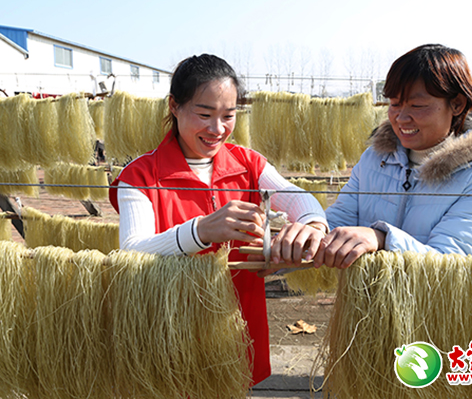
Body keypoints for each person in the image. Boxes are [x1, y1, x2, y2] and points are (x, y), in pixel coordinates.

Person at [109, 54, 328, 386]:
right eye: (204, 114)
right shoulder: (140, 176)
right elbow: (132, 252)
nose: (217, 129)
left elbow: (300, 198)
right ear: (174, 106)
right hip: (169, 333)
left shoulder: (248, 164)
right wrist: (200, 231)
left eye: (229, 115)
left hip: (234, 331)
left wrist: (311, 226)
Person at [314, 44, 472, 269]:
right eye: (394, 104)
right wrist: (307, 232)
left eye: (417, 106)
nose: (401, 118)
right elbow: (340, 220)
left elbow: (452, 264)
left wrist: (382, 239)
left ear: (457, 104)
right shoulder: (374, 158)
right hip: (365, 303)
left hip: (434, 306)